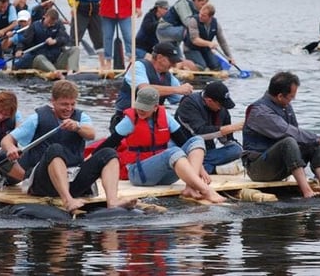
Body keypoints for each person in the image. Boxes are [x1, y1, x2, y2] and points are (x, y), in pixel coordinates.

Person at [0, 80, 136, 212]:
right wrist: (11, 148)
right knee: (55, 149)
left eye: (72, 104)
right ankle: (68, 201)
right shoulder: (37, 118)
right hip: (43, 183)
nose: (69, 108)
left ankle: (112, 202)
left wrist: (77, 127)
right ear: (53, 101)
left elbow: (91, 134)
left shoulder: (81, 117)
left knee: (109, 153)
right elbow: (6, 140)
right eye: (64, 104)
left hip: (73, 178)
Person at [96, 87, 226, 203]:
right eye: (139, 106)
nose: (140, 110)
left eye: (145, 107)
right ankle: (206, 190)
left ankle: (190, 187)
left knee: (196, 140)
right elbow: (108, 144)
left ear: (155, 107)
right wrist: (91, 162)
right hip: (140, 174)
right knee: (173, 151)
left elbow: (184, 142)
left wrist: (201, 169)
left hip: (165, 174)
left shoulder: (165, 117)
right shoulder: (129, 121)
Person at [241, 71, 320, 198]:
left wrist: (318, 141)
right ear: (279, 96)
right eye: (291, 97)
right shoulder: (259, 111)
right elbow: (287, 131)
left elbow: (299, 135)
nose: (292, 100)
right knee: (291, 141)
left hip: (279, 162)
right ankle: (306, 191)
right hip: (258, 168)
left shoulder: (285, 105)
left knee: (314, 144)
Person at [110, 42, 193, 132]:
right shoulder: (138, 67)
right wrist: (177, 89)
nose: (173, 65)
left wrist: (190, 95)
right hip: (126, 121)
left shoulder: (169, 78)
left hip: (152, 123)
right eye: (171, 61)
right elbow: (145, 90)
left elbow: (180, 98)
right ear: (159, 58)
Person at [175, 81, 244, 174]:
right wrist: (232, 128)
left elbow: (227, 140)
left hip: (208, 152)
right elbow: (199, 133)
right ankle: (209, 168)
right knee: (186, 157)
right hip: (187, 150)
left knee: (236, 150)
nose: (222, 108)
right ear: (209, 100)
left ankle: (203, 167)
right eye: (220, 105)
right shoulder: (189, 103)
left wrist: (245, 154)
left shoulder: (222, 109)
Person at [14, 8, 79, 77]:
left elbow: (66, 39)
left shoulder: (58, 25)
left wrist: (55, 41)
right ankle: (56, 73)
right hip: (40, 60)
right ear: (45, 17)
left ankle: (71, 72)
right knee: (40, 57)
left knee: (75, 49)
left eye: (52, 24)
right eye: (48, 22)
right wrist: (19, 50)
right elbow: (23, 41)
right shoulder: (35, 26)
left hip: (56, 61)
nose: (50, 25)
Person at [183, 3, 235, 71]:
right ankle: (182, 64)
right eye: (200, 14)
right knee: (201, 67)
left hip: (204, 49)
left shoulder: (216, 24)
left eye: (203, 16)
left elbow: (222, 42)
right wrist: (209, 43)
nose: (200, 16)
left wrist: (230, 57)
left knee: (217, 67)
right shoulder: (193, 21)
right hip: (191, 48)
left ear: (210, 17)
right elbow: (195, 40)